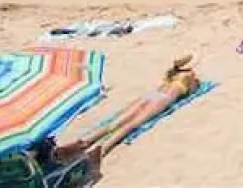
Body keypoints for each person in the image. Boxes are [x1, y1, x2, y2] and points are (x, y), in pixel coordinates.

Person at [51, 55, 203, 166]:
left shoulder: (171, 73)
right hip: (165, 97)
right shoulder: (189, 76)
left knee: (119, 119)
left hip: (152, 94)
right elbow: (193, 89)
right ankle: (103, 148)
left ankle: (83, 142)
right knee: (133, 122)